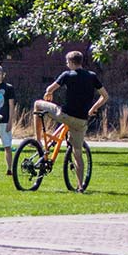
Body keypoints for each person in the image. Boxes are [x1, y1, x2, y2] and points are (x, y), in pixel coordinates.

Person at [33, 50, 108, 192]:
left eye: (67, 62)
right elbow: (105, 96)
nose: (67, 64)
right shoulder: (92, 76)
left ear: (72, 62)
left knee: (37, 104)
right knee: (78, 153)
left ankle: (38, 141)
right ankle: (80, 186)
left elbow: (50, 88)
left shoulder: (67, 75)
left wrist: (49, 94)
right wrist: (92, 109)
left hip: (65, 115)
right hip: (81, 120)